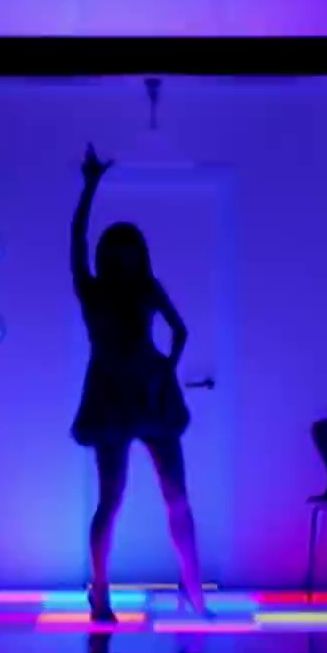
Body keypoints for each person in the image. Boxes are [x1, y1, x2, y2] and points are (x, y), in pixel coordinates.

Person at [70, 143, 208, 623]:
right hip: (118, 397)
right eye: (120, 253)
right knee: (114, 500)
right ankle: (102, 594)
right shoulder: (94, 290)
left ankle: (191, 588)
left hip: (146, 394)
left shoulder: (142, 287)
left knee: (173, 497)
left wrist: (166, 367)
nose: (125, 260)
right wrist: (89, 188)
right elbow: (77, 243)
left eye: (130, 253)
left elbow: (180, 330)